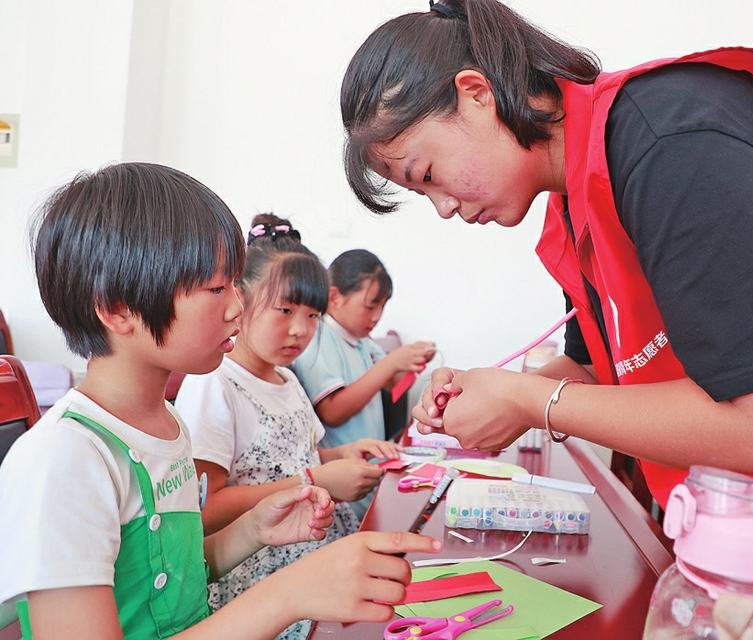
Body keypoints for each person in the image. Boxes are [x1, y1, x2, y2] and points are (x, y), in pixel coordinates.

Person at [338, 1, 753, 637]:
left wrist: (528, 400)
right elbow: (601, 366)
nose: (444, 208)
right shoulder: (573, 207)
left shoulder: (670, 139)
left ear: (475, 94)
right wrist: (490, 396)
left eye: (429, 175)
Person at [0, 163, 441, 640]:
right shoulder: (65, 459)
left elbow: (176, 582)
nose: (236, 306)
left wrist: (252, 531)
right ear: (117, 308)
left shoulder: (166, 423)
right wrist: (288, 593)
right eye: (217, 288)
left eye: (235, 284)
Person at [175, 214, 401, 639]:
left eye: (313, 315)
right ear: (240, 299)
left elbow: (299, 455)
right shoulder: (216, 384)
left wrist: (344, 455)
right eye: (285, 310)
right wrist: (316, 479)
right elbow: (205, 510)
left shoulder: (288, 379)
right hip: (261, 578)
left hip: (316, 552)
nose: (301, 329)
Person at [291, 249, 435, 518]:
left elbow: (394, 388)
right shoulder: (321, 337)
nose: (377, 316)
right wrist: (390, 364)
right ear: (334, 297)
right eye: (370, 306)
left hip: (373, 473)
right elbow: (332, 411)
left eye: (382, 307)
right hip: (344, 488)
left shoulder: (363, 341)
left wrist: (414, 364)